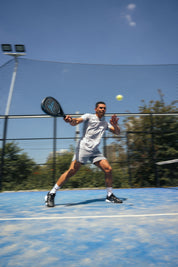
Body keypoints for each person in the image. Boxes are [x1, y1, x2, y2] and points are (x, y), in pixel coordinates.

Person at [45, 101, 123, 207]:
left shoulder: (105, 123)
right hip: (83, 148)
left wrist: (115, 125)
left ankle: (110, 195)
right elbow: (76, 121)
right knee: (71, 171)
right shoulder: (88, 116)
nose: (103, 110)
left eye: (104, 108)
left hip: (95, 150)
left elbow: (117, 132)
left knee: (108, 169)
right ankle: (51, 193)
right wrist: (70, 120)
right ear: (96, 109)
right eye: (100, 108)